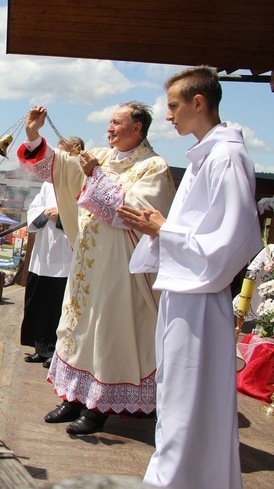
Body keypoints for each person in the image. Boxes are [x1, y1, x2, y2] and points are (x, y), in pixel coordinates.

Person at [118, 66, 260, 489]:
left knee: (186, 405)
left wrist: (165, 230)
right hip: (184, 292)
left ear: (200, 103)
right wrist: (158, 230)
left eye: (174, 106)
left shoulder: (227, 157)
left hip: (200, 297)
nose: (168, 116)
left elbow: (236, 236)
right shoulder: (206, 155)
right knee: (178, 402)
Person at [17, 102, 176, 435]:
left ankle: (98, 406)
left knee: (107, 332)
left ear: (138, 128)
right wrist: (34, 135)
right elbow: (56, 170)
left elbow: (134, 214)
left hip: (122, 268)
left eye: (117, 123)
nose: (109, 129)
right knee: (78, 329)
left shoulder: (153, 167)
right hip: (88, 264)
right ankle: (73, 398)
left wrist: (94, 176)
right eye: (109, 123)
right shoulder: (101, 155)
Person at [20, 137, 82, 369]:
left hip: (65, 256)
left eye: (62, 155)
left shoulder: (78, 183)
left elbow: (84, 218)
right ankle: (40, 347)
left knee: (57, 307)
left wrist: (62, 217)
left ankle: (55, 352)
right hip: (43, 253)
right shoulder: (48, 184)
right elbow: (33, 209)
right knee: (37, 304)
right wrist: (45, 212)